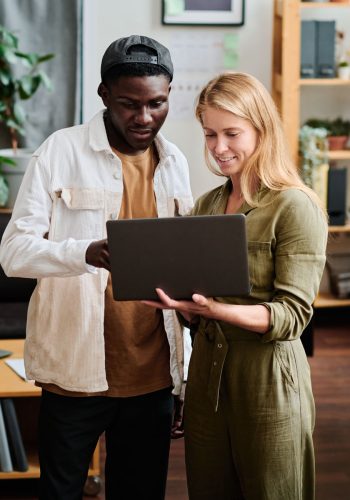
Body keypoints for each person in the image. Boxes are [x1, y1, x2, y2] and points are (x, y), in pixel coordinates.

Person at [0, 35, 193, 500]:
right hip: (75, 372)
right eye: (129, 104)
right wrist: (82, 253)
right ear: (104, 94)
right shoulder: (59, 151)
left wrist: (186, 378)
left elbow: (184, 271)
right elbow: (13, 253)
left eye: (157, 103)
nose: (144, 118)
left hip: (153, 376)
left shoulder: (176, 163)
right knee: (60, 491)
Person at [143, 72, 328, 500]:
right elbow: (198, 297)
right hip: (207, 377)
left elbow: (293, 316)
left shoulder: (294, 206)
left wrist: (215, 310)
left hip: (267, 379)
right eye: (210, 134)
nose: (218, 147)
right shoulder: (207, 205)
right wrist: (181, 305)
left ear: (261, 130)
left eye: (231, 133)